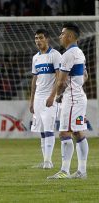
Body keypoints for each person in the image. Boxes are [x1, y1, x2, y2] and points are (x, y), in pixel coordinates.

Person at [47, 23, 89, 179]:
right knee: (78, 133)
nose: (60, 36)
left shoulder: (68, 55)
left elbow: (61, 81)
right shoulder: (80, 53)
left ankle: (64, 171)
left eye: (62, 33)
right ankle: (81, 171)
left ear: (70, 36)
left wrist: (53, 97)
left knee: (65, 132)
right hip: (78, 98)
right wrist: (76, 86)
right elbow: (85, 76)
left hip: (71, 100)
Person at [29, 29, 61, 169]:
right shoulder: (35, 57)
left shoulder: (55, 55)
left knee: (49, 128)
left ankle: (48, 161)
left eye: (40, 38)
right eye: (36, 38)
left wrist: (53, 96)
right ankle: (45, 160)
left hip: (50, 97)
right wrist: (31, 100)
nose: (38, 40)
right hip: (38, 98)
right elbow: (34, 79)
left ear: (47, 39)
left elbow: (59, 78)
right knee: (42, 130)